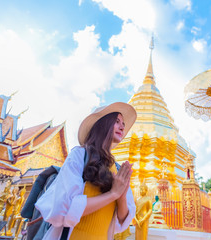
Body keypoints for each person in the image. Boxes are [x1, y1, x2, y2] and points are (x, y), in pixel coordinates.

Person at [35, 102, 137, 240]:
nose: (122, 127)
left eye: (123, 124)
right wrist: (113, 194)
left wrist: (122, 196)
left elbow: (121, 221)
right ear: (103, 124)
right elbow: (66, 209)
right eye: (117, 121)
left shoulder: (117, 169)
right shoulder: (80, 155)